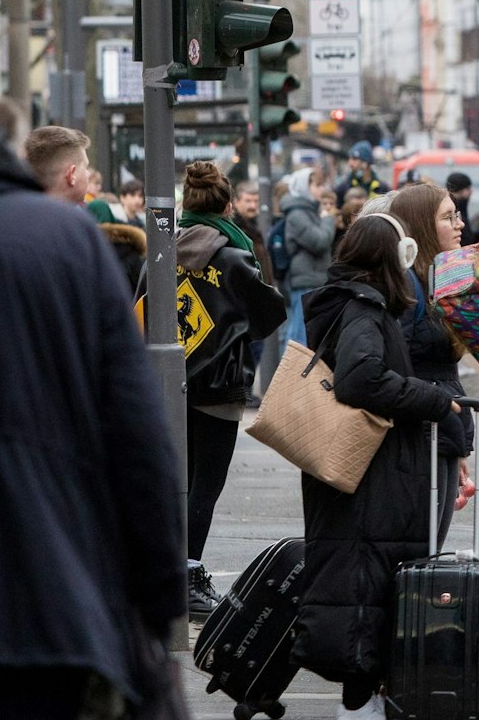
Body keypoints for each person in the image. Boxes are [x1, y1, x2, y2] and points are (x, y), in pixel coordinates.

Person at [0, 89, 186, 719]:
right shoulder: (70, 242)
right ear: (9, 149)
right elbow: (136, 436)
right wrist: (158, 601)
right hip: (59, 603)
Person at [294, 214, 461, 720]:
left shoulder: (349, 301)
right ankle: (362, 698)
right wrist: (431, 398)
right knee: (368, 583)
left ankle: (361, 694)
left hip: (361, 469)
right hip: (372, 473)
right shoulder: (365, 309)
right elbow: (360, 379)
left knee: (355, 580)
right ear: (388, 257)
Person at [166, 161, 286, 618]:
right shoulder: (235, 256)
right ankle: (189, 572)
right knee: (205, 485)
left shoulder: (165, 249)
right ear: (228, 205)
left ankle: (171, 567)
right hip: (219, 385)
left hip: (171, 380)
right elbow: (268, 314)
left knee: (178, 479)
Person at [369, 183, 476, 546]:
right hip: (418, 436)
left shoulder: (433, 280)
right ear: (421, 227)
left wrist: (456, 443)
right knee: (419, 550)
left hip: (438, 432)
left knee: (429, 546)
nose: (459, 224)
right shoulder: (409, 286)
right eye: (448, 217)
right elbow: (398, 367)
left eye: (457, 214)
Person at [282, 166, 338, 345]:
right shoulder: (297, 214)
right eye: (317, 185)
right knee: (299, 335)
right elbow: (319, 241)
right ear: (304, 187)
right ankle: (291, 373)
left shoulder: (309, 211)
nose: (322, 190)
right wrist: (329, 220)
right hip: (305, 280)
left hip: (314, 278)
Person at [232, 179, 275, 408]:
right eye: (248, 200)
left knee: (256, 345)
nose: (252, 205)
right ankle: (244, 389)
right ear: (237, 201)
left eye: (255, 200)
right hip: (245, 297)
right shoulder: (237, 228)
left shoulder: (253, 226)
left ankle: (246, 389)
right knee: (250, 346)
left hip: (257, 295)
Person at [23, 124, 93, 207]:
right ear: (71, 175)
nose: (89, 174)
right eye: (85, 167)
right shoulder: (77, 219)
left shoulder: (9, 211)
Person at [448, 172, 479, 245]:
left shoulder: (461, 205)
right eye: (468, 188)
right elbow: (465, 239)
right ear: (460, 190)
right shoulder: (455, 208)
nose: (471, 191)